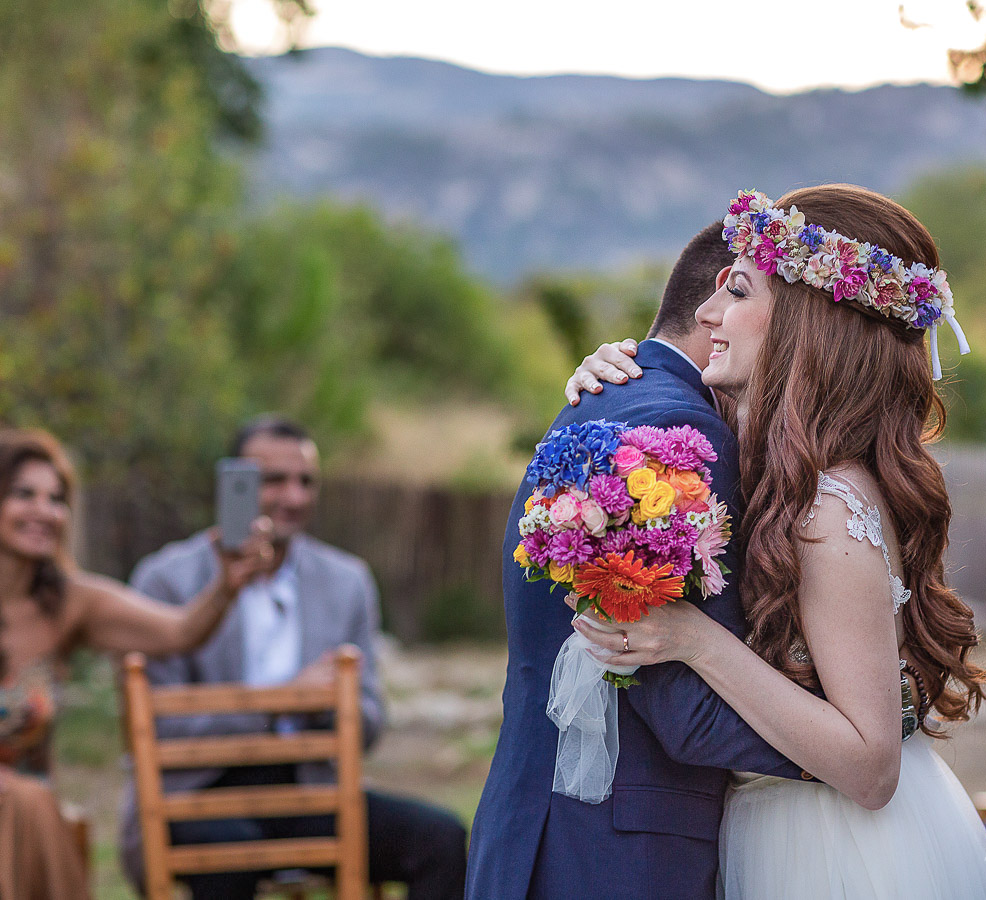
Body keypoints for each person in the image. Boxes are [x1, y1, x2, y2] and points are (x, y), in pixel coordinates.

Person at [568, 185, 986, 898]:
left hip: (841, 854)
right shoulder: (774, 470)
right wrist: (610, 377)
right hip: (779, 831)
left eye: (737, 291)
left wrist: (697, 642)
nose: (709, 313)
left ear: (807, 324)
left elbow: (871, 767)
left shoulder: (829, 508)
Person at [467, 221, 821, 900]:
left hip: (528, 825)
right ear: (716, 308)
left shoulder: (597, 403)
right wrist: (846, 747)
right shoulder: (684, 441)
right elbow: (682, 708)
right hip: (623, 852)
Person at [117, 416, 467, 900]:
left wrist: (327, 701)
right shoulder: (166, 579)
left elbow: (369, 721)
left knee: (440, 839)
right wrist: (282, 701)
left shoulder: (346, 582)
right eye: (273, 480)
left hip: (311, 788)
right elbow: (156, 726)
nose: (295, 497)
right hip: (198, 792)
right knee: (229, 854)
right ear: (232, 484)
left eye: (306, 481)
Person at [0, 427, 272, 900]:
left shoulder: (71, 603)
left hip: (23, 819)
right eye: (25, 494)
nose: (44, 511)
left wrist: (226, 587)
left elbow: (180, 632)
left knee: (23, 801)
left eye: (56, 498)